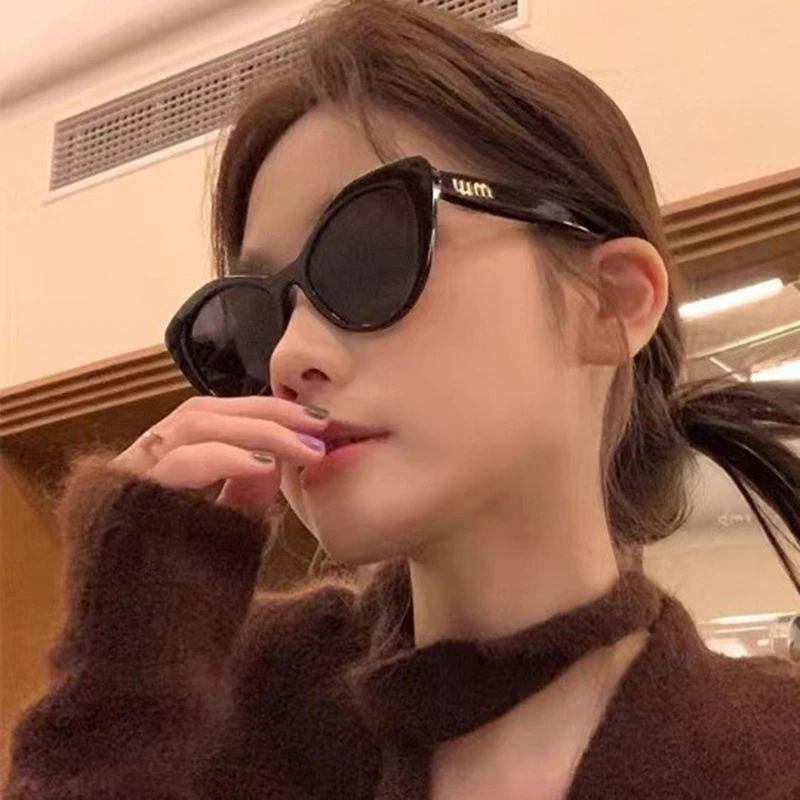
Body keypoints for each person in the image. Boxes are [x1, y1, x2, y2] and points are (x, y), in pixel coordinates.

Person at [6, 1, 800, 798]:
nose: (287, 357)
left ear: (610, 302)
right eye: (253, 318)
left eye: (369, 253)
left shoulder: (773, 753)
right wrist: (117, 686)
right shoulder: (215, 709)